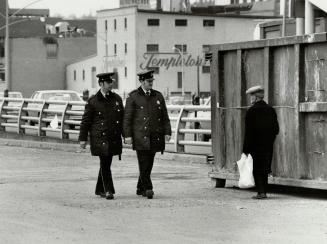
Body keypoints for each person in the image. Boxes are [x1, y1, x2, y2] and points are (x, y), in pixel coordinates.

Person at [123, 70, 171, 199]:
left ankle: (140, 187)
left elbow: (164, 116)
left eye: (152, 81)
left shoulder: (158, 96)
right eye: (148, 81)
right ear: (142, 81)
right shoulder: (133, 97)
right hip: (140, 136)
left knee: (149, 163)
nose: (151, 83)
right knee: (144, 162)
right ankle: (148, 188)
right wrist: (127, 135)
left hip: (155, 135)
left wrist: (167, 132)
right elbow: (127, 118)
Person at [79, 72, 124, 200]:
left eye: (111, 82)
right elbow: (86, 121)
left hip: (113, 137)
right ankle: (109, 190)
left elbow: (122, 118)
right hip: (100, 138)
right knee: (105, 163)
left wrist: (126, 135)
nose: (111, 85)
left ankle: (100, 189)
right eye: (108, 83)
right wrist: (82, 139)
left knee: (106, 163)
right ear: (101, 84)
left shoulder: (116, 99)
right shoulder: (93, 101)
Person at [243, 85, 279, 200]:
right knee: (265, 167)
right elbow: (276, 129)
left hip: (255, 145)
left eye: (251, 96)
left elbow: (248, 132)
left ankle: (261, 192)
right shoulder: (271, 110)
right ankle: (264, 191)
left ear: (255, 97)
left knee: (257, 168)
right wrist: (269, 140)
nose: (250, 99)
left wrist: (245, 149)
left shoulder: (251, 111)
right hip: (268, 144)